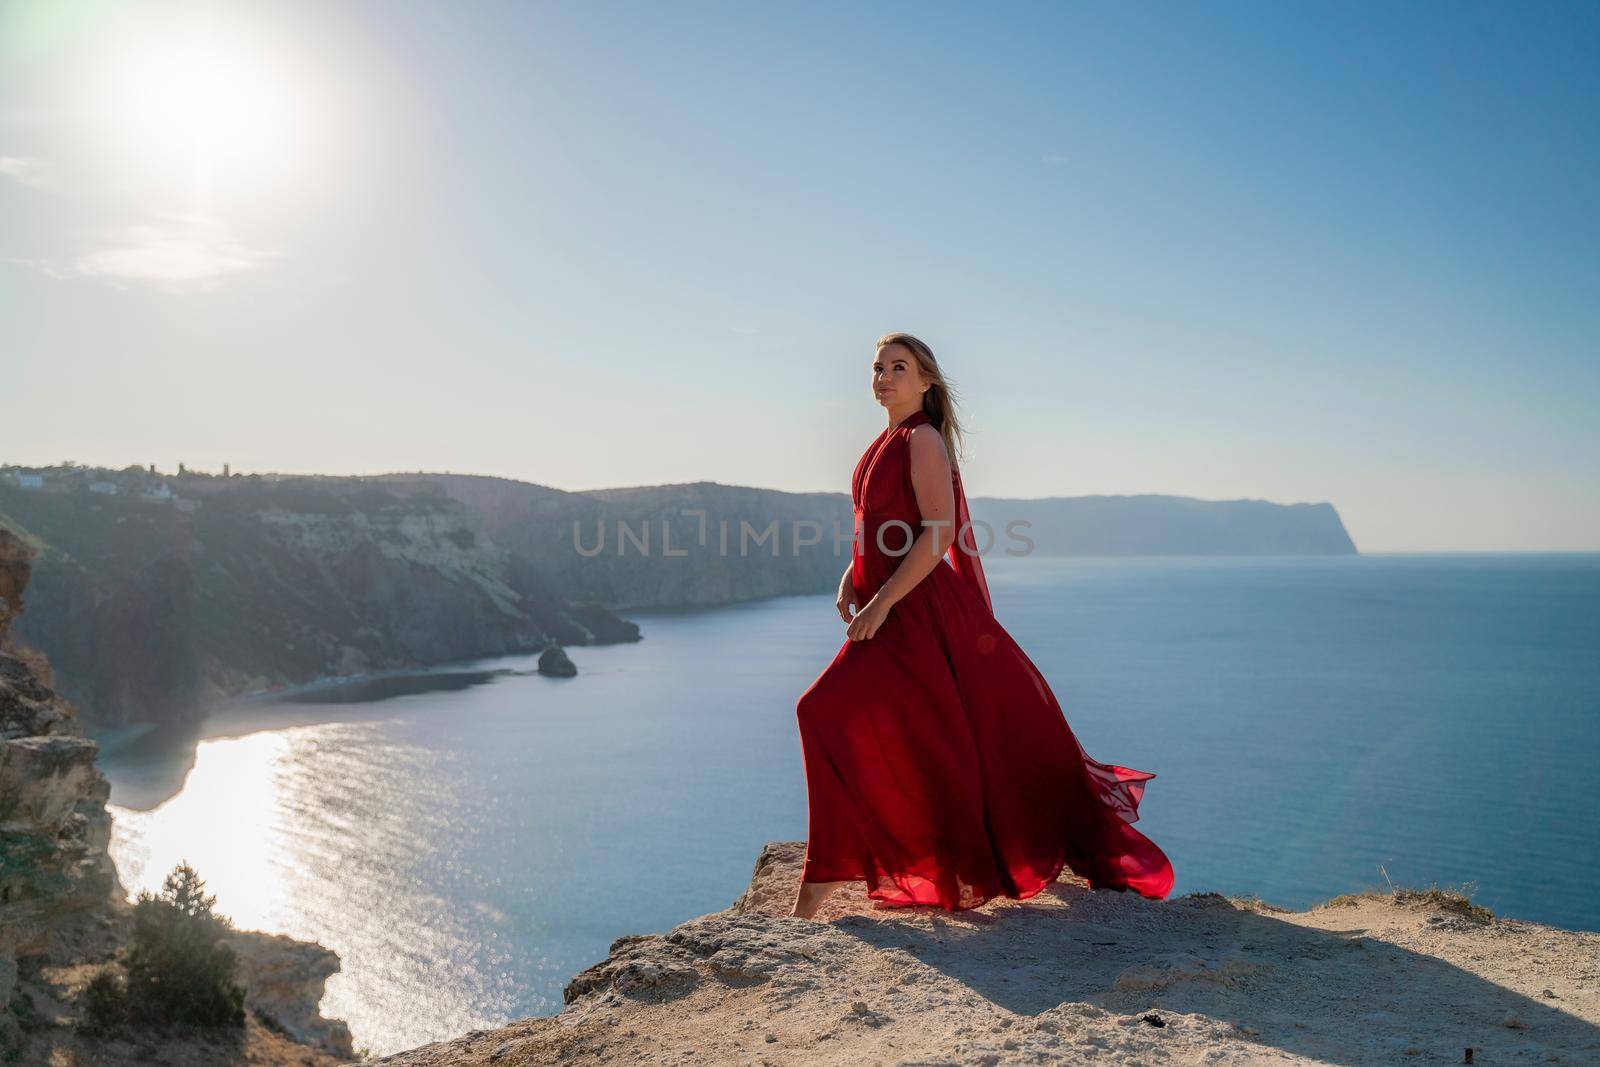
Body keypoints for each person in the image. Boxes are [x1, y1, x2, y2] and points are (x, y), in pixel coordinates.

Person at [790, 333, 1175, 920]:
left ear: (926, 382)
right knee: (920, 734)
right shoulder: (882, 441)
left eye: (900, 367)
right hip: (892, 608)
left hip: (914, 612)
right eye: (878, 367)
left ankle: (826, 879)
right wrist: (851, 575)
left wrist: (882, 604)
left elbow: (938, 533)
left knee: (823, 711)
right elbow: (884, 527)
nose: (884, 377)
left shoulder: (921, 440)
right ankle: (874, 859)